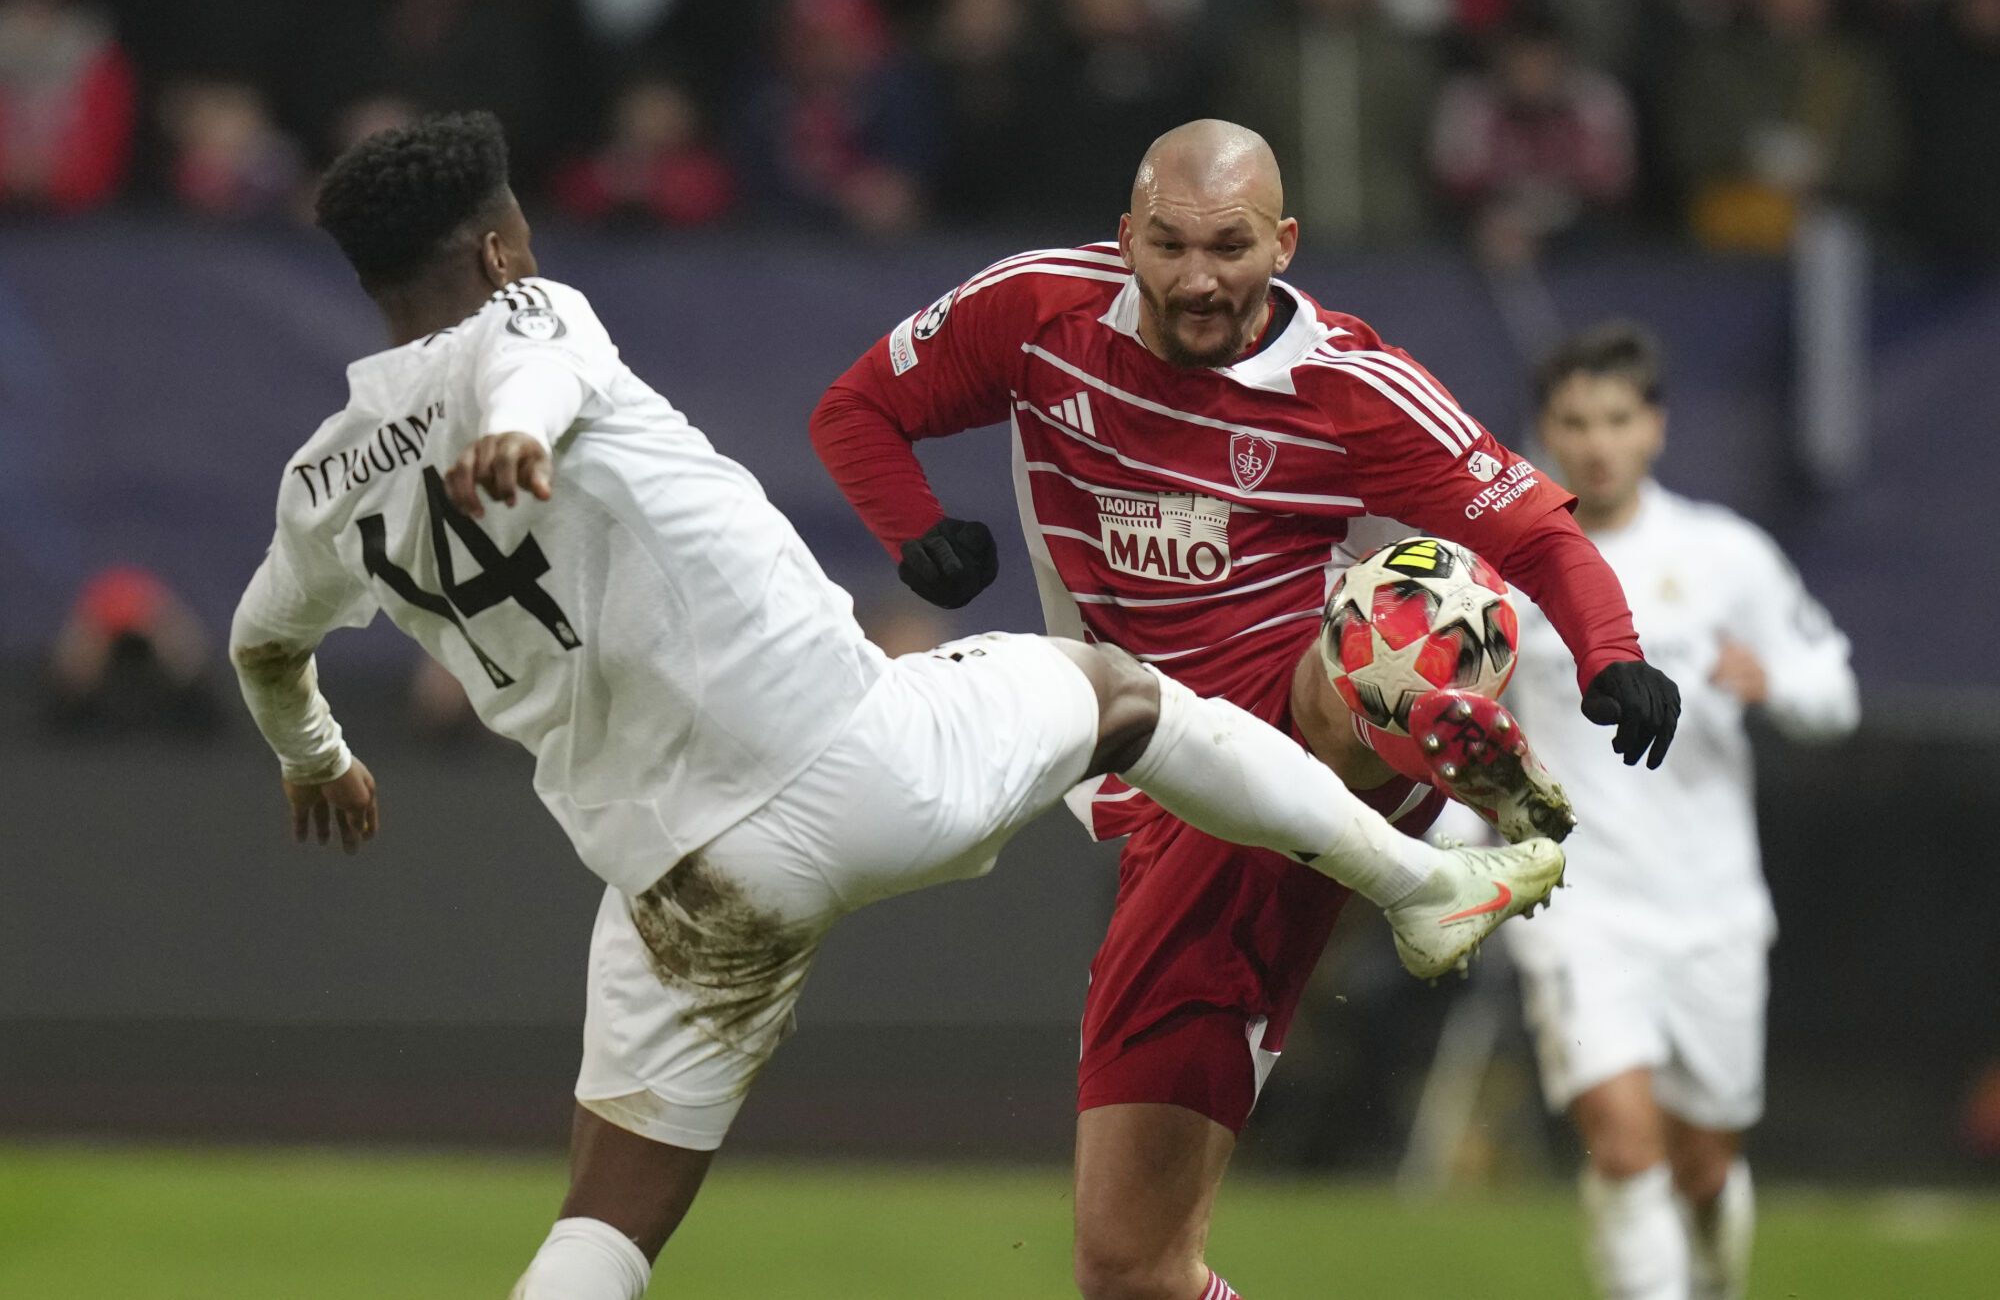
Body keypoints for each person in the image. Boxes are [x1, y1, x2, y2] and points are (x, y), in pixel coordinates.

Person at [228, 112, 1566, 1300]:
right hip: (848, 758)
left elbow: (260, 643)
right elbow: (530, 373)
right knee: (1120, 688)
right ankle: (1416, 882)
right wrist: (515, 426)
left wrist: (318, 752)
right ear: (508, 246)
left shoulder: (316, 486)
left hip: (673, 874)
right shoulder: (531, 321)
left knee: (607, 1224)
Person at [809, 118, 1681, 1300]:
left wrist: (1609, 653)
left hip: (1281, 744)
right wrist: (913, 530)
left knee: (1402, 610)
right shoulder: (1037, 315)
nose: (1195, 277)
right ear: (1126, 235)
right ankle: (1419, 839)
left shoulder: (1347, 388)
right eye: (1166, 244)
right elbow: (854, 411)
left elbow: (1530, 525)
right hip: (1146, 786)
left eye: (1226, 247)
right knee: (1131, 1270)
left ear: (1283, 243)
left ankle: (1425, 796)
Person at [1501, 322, 1858, 1300]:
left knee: (1701, 1162)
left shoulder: (1722, 554)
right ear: (1545, 429)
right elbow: (1472, 725)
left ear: (1652, 425)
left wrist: (1776, 679)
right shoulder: (1506, 567)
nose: (1595, 441)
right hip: (1576, 902)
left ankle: (1711, 1273)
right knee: (1623, 1146)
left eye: (1615, 417)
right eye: (1573, 420)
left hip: (1707, 905)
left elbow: (1833, 690)